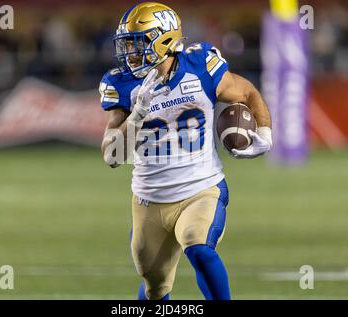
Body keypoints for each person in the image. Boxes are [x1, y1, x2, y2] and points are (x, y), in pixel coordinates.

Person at [99, 2, 272, 300]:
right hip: (149, 199)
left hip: (201, 188)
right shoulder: (123, 83)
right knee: (155, 289)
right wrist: (137, 114)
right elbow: (112, 156)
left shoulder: (200, 65)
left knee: (199, 247)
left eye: (137, 43)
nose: (130, 53)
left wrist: (265, 133)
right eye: (127, 44)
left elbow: (246, 92)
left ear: (163, 40)